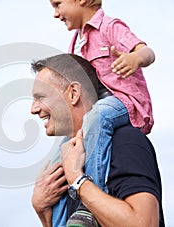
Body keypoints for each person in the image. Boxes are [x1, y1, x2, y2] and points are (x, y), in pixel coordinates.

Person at [48, 1, 156, 225]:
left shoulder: (110, 27)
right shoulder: (74, 44)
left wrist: (135, 59)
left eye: (58, 4)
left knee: (99, 115)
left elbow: (147, 51)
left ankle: (88, 205)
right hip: (93, 113)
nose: (56, 14)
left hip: (123, 101)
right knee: (59, 161)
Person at [30, 54, 164, 226]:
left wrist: (77, 180)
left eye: (41, 97)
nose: (33, 109)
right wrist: (42, 210)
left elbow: (143, 223)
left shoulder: (124, 141)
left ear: (73, 93)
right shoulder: (68, 161)